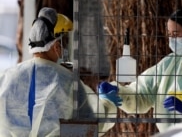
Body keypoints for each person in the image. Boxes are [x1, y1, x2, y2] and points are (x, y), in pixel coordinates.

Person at [98, 8, 182, 133]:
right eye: (169, 34)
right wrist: (119, 92)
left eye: (176, 34)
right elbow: (143, 93)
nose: (171, 40)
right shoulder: (169, 63)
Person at [0, 7, 121, 137]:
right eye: (65, 43)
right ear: (57, 46)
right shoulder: (67, 81)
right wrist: (108, 102)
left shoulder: (6, 78)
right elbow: (92, 126)